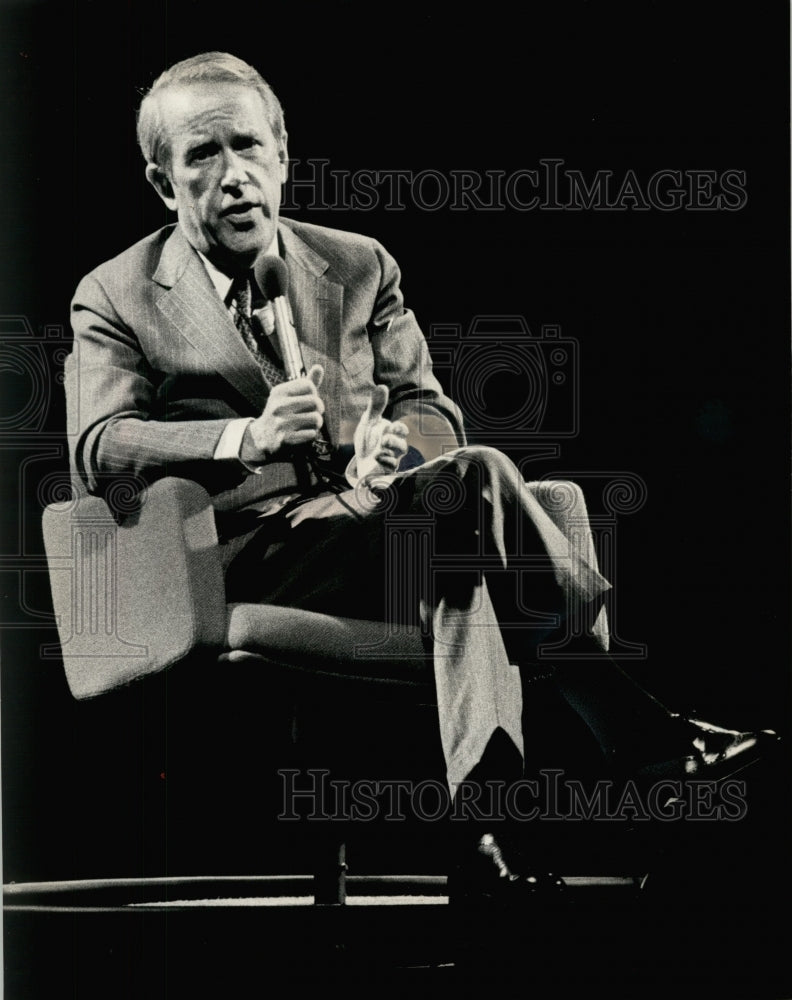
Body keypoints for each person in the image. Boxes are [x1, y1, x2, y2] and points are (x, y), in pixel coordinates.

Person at [65, 51, 773, 897]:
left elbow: (432, 408)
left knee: (463, 506)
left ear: (283, 155)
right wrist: (242, 440)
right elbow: (99, 446)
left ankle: (484, 824)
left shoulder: (358, 264)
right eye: (203, 156)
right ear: (161, 180)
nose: (234, 177)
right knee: (472, 512)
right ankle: (623, 715)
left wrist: (394, 445)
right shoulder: (116, 293)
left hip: (389, 528)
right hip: (245, 553)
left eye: (249, 148)